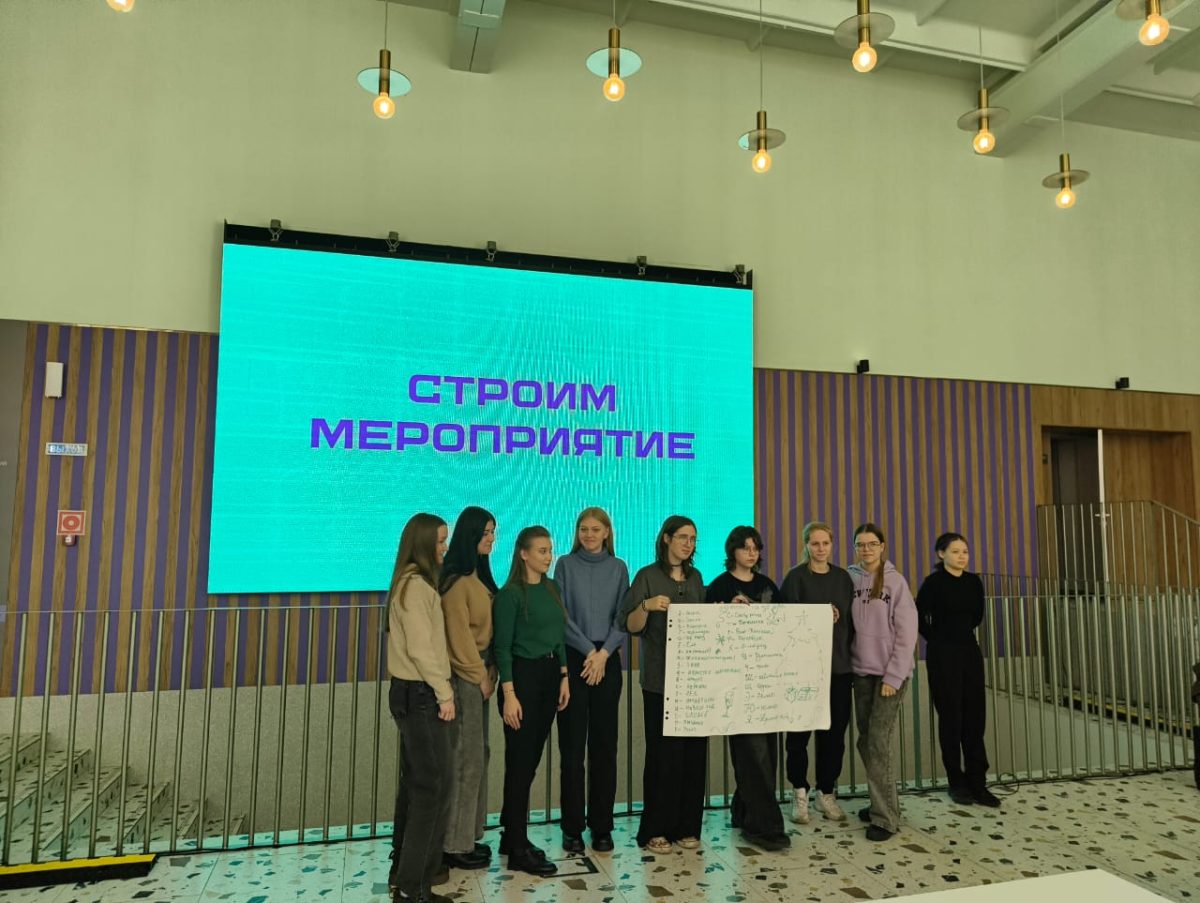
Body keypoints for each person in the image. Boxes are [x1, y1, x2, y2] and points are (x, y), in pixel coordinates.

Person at [618, 515, 707, 855]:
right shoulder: (647, 576)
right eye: (683, 537)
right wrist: (647, 605)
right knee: (662, 757)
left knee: (693, 756)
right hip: (659, 681)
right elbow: (629, 624)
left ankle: (687, 826)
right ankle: (656, 829)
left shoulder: (696, 578)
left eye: (693, 539)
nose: (688, 544)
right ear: (667, 539)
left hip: (694, 681)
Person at [386, 513, 456, 903]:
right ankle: (414, 888)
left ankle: (408, 879)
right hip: (422, 695)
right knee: (434, 789)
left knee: (420, 787)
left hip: (412, 693)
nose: (445, 547)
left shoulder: (409, 583)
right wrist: (445, 693)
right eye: (440, 541)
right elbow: (420, 648)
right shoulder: (415, 587)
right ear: (425, 543)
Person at [706, 526, 789, 851]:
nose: (751, 553)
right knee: (752, 754)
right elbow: (708, 632)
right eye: (745, 548)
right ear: (733, 551)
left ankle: (743, 810)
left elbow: (784, 627)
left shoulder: (768, 586)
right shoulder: (719, 586)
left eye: (756, 547)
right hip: (734, 683)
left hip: (766, 681)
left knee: (767, 753)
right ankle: (765, 827)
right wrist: (726, 612)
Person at [493, 526, 569, 876]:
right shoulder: (510, 595)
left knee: (531, 760)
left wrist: (564, 675)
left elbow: (558, 636)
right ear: (523, 554)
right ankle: (518, 846)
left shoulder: (551, 588)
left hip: (550, 676)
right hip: (522, 679)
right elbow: (502, 648)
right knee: (520, 764)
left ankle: (512, 836)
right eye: (541, 551)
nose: (548, 557)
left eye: (549, 550)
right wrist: (509, 695)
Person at [554, 507, 629, 854]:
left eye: (595, 529)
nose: (588, 535)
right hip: (575, 659)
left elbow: (623, 617)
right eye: (583, 529)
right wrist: (589, 652)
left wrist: (603, 654)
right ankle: (572, 827)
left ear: (607, 532)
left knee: (604, 748)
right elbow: (561, 616)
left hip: (607, 660)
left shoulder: (619, 567)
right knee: (571, 749)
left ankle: (602, 826)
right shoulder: (564, 565)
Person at [916, 532, 1000, 807]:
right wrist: (937, 639)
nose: (962, 556)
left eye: (965, 551)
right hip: (942, 654)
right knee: (951, 717)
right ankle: (957, 781)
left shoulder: (974, 582)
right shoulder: (933, 583)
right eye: (955, 551)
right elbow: (918, 615)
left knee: (975, 716)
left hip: (969, 651)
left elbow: (977, 616)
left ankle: (978, 782)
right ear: (941, 554)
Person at [779, 521, 855, 825]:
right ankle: (799, 792)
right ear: (806, 545)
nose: (821, 548)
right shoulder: (795, 578)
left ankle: (826, 792)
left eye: (825, 543)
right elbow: (785, 621)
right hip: (802, 670)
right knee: (798, 734)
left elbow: (851, 622)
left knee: (834, 736)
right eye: (815, 543)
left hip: (838, 668)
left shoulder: (843, 578)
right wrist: (817, 616)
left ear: (832, 545)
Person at [439, 507, 500, 871]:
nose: (491, 539)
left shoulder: (480, 577)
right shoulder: (457, 583)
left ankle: (469, 834)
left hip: (481, 674)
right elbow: (459, 638)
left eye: (493, 532)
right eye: (486, 532)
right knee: (466, 758)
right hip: (466, 677)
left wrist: (490, 670)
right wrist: (480, 675)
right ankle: (454, 843)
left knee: (480, 754)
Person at [848, 523, 918, 842]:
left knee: (877, 741)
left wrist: (894, 676)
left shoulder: (896, 582)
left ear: (882, 546)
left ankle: (885, 818)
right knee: (866, 741)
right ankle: (883, 801)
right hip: (861, 673)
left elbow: (907, 633)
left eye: (872, 544)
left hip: (889, 676)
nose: (866, 549)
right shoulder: (850, 579)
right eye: (860, 545)